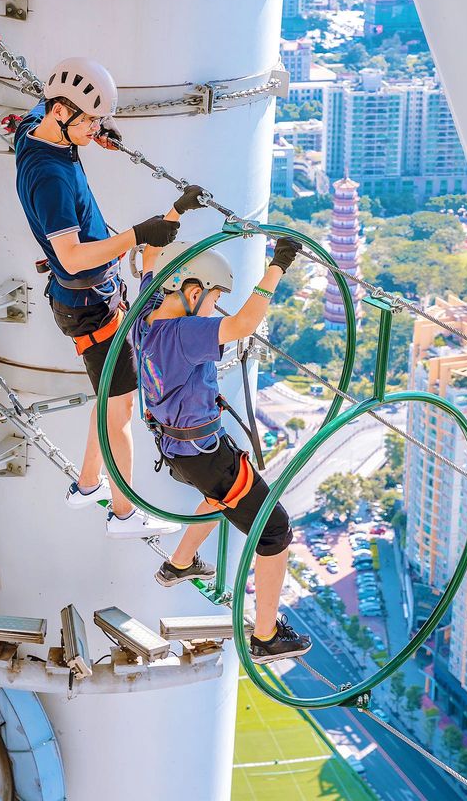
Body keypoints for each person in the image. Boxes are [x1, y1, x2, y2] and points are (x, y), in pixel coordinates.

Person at [15, 56, 203, 539]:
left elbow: (44, 108)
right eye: (89, 119)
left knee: (107, 400)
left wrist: (95, 131)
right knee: (119, 412)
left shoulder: (38, 128)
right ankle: (124, 513)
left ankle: (87, 484)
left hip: (90, 299)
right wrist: (138, 233)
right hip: (89, 305)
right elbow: (73, 257)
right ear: (62, 112)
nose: (97, 127)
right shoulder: (50, 178)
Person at [134, 232, 312, 663]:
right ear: (192, 292)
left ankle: (179, 562)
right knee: (274, 529)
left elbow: (149, 264)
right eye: (214, 297)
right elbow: (244, 325)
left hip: (179, 448)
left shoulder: (145, 315)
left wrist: (173, 216)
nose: (215, 308)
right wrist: (278, 265)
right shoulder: (186, 332)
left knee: (220, 498)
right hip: (204, 453)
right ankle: (267, 636)